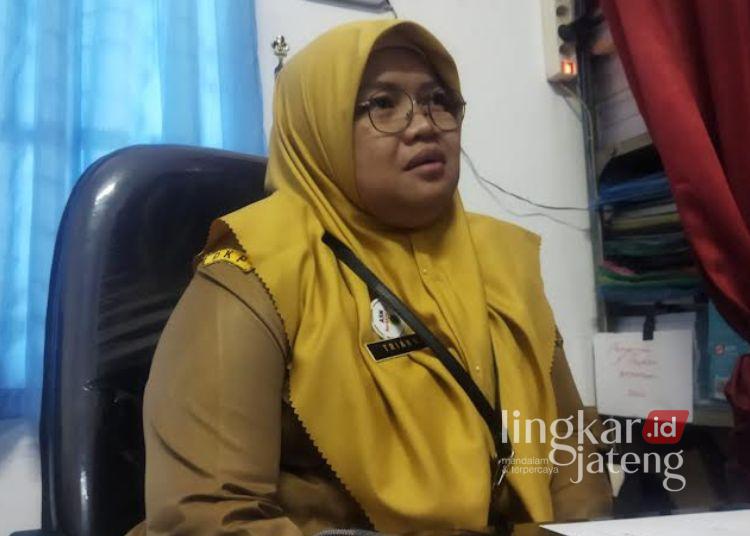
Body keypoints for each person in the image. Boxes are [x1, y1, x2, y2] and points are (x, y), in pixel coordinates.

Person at [126, 18, 611, 536]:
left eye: (439, 101)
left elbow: (572, 460)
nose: (424, 125)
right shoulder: (254, 271)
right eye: (382, 104)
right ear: (320, 128)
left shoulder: (503, 261)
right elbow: (209, 517)